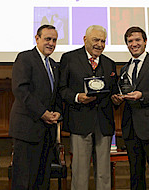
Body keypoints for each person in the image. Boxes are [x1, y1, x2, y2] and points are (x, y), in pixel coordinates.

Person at [111, 26, 149, 190]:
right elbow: (122, 92)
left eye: (137, 40)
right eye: (130, 41)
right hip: (131, 130)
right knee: (136, 176)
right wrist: (117, 100)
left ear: (145, 42)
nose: (134, 44)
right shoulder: (125, 69)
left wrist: (142, 95)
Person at [59, 25, 118, 190]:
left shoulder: (110, 64)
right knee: (80, 172)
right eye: (96, 40)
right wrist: (77, 97)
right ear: (85, 39)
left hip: (104, 124)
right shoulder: (69, 59)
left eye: (103, 41)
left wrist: (117, 99)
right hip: (79, 122)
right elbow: (61, 89)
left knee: (104, 173)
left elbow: (113, 92)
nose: (99, 44)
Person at [9, 24, 62, 189]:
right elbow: (21, 90)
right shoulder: (25, 58)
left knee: (42, 181)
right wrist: (43, 113)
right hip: (27, 131)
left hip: (47, 133)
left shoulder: (54, 65)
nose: (51, 43)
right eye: (47, 39)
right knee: (24, 181)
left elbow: (57, 94)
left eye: (54, 40)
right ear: (37, 39)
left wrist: (58, 113)